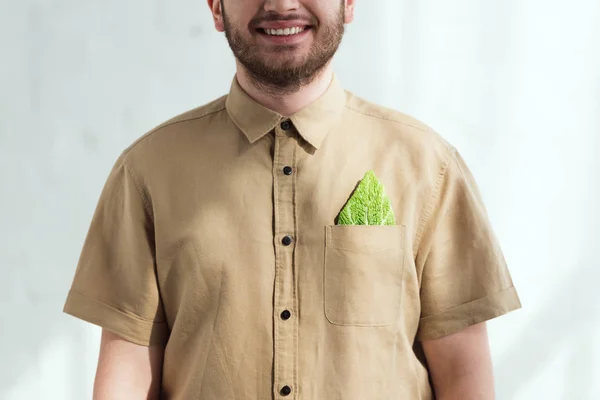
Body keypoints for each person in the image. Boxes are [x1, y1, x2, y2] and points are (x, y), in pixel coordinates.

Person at [62, 0, 522, 399]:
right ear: (217, 7)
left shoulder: (427, 165)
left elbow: (464, 377)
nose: (282, 5)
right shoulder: (147, 170)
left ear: (349, 4)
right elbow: (126, 374)